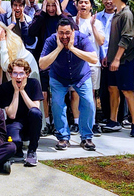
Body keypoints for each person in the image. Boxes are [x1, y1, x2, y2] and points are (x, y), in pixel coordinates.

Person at [39, 17, 98, 151]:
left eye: (67, 33)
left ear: (73, 31)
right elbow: (42, 64)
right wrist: (59, 49)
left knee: (89, 102)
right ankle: (63, 137)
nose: (64, 36)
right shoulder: (51, 41)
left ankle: (86, 137)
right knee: (57, 104)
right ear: (56, 32)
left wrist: (72, 48)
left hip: (81, 76)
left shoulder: (82, 39)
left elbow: (94, 58)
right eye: (61, 33)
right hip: (58, 77)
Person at [28, 0, 69, 135]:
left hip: (61, 61)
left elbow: (73, 29)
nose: (51, 8)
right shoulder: (40, 16)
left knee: (59, 95)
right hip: (44, 59)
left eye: (53, 5)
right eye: (48, 5)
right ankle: (45, 122)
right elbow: (31, 32)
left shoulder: (64, 16)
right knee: (43, 93)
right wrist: (43, 14)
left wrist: (59, 14)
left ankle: (60, 123)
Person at [104, 0, 134, 137]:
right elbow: (113, 39)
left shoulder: (126, 14)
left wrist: (117, 59)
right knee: (112, 89)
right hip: (113, 59)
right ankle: (113, 121)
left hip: (124, 60)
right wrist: (109, 56)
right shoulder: (117, 13)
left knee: (127, 91)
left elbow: (126, 38)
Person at [0, 59, 43, 167]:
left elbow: (36, 108)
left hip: (30, 122)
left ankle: (32, 151)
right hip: (14, 123)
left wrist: (22, 91)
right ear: (10, 74)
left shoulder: (34, 83)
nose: (18, 77)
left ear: (27, 74)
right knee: (14, 142)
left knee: (35, 113)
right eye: (15, 73)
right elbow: (11, 115)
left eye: (21, 73)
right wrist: (16, 91)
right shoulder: (4, 88)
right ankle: (17, 148)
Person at [72, 0, 105, 136]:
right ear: (76, 4)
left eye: (86, 2)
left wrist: (92, 26)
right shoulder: (72, 21)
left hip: (92, 64)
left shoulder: (97, 22)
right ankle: (76, 122)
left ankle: (92, 123)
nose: (83, 5)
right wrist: (77, 26)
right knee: (75, 95)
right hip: (75, 65)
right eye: (80, 2)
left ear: (91, 5)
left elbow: (101, 41)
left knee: (90, 95)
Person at [96, 0, 122, 125]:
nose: (108, 1)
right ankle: (106, 116)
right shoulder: (97, 17)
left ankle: (118, 118)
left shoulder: (120, 15)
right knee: (103, 90)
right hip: (101, 58)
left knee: (117, 89)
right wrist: (102, 56)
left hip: (115, 58)